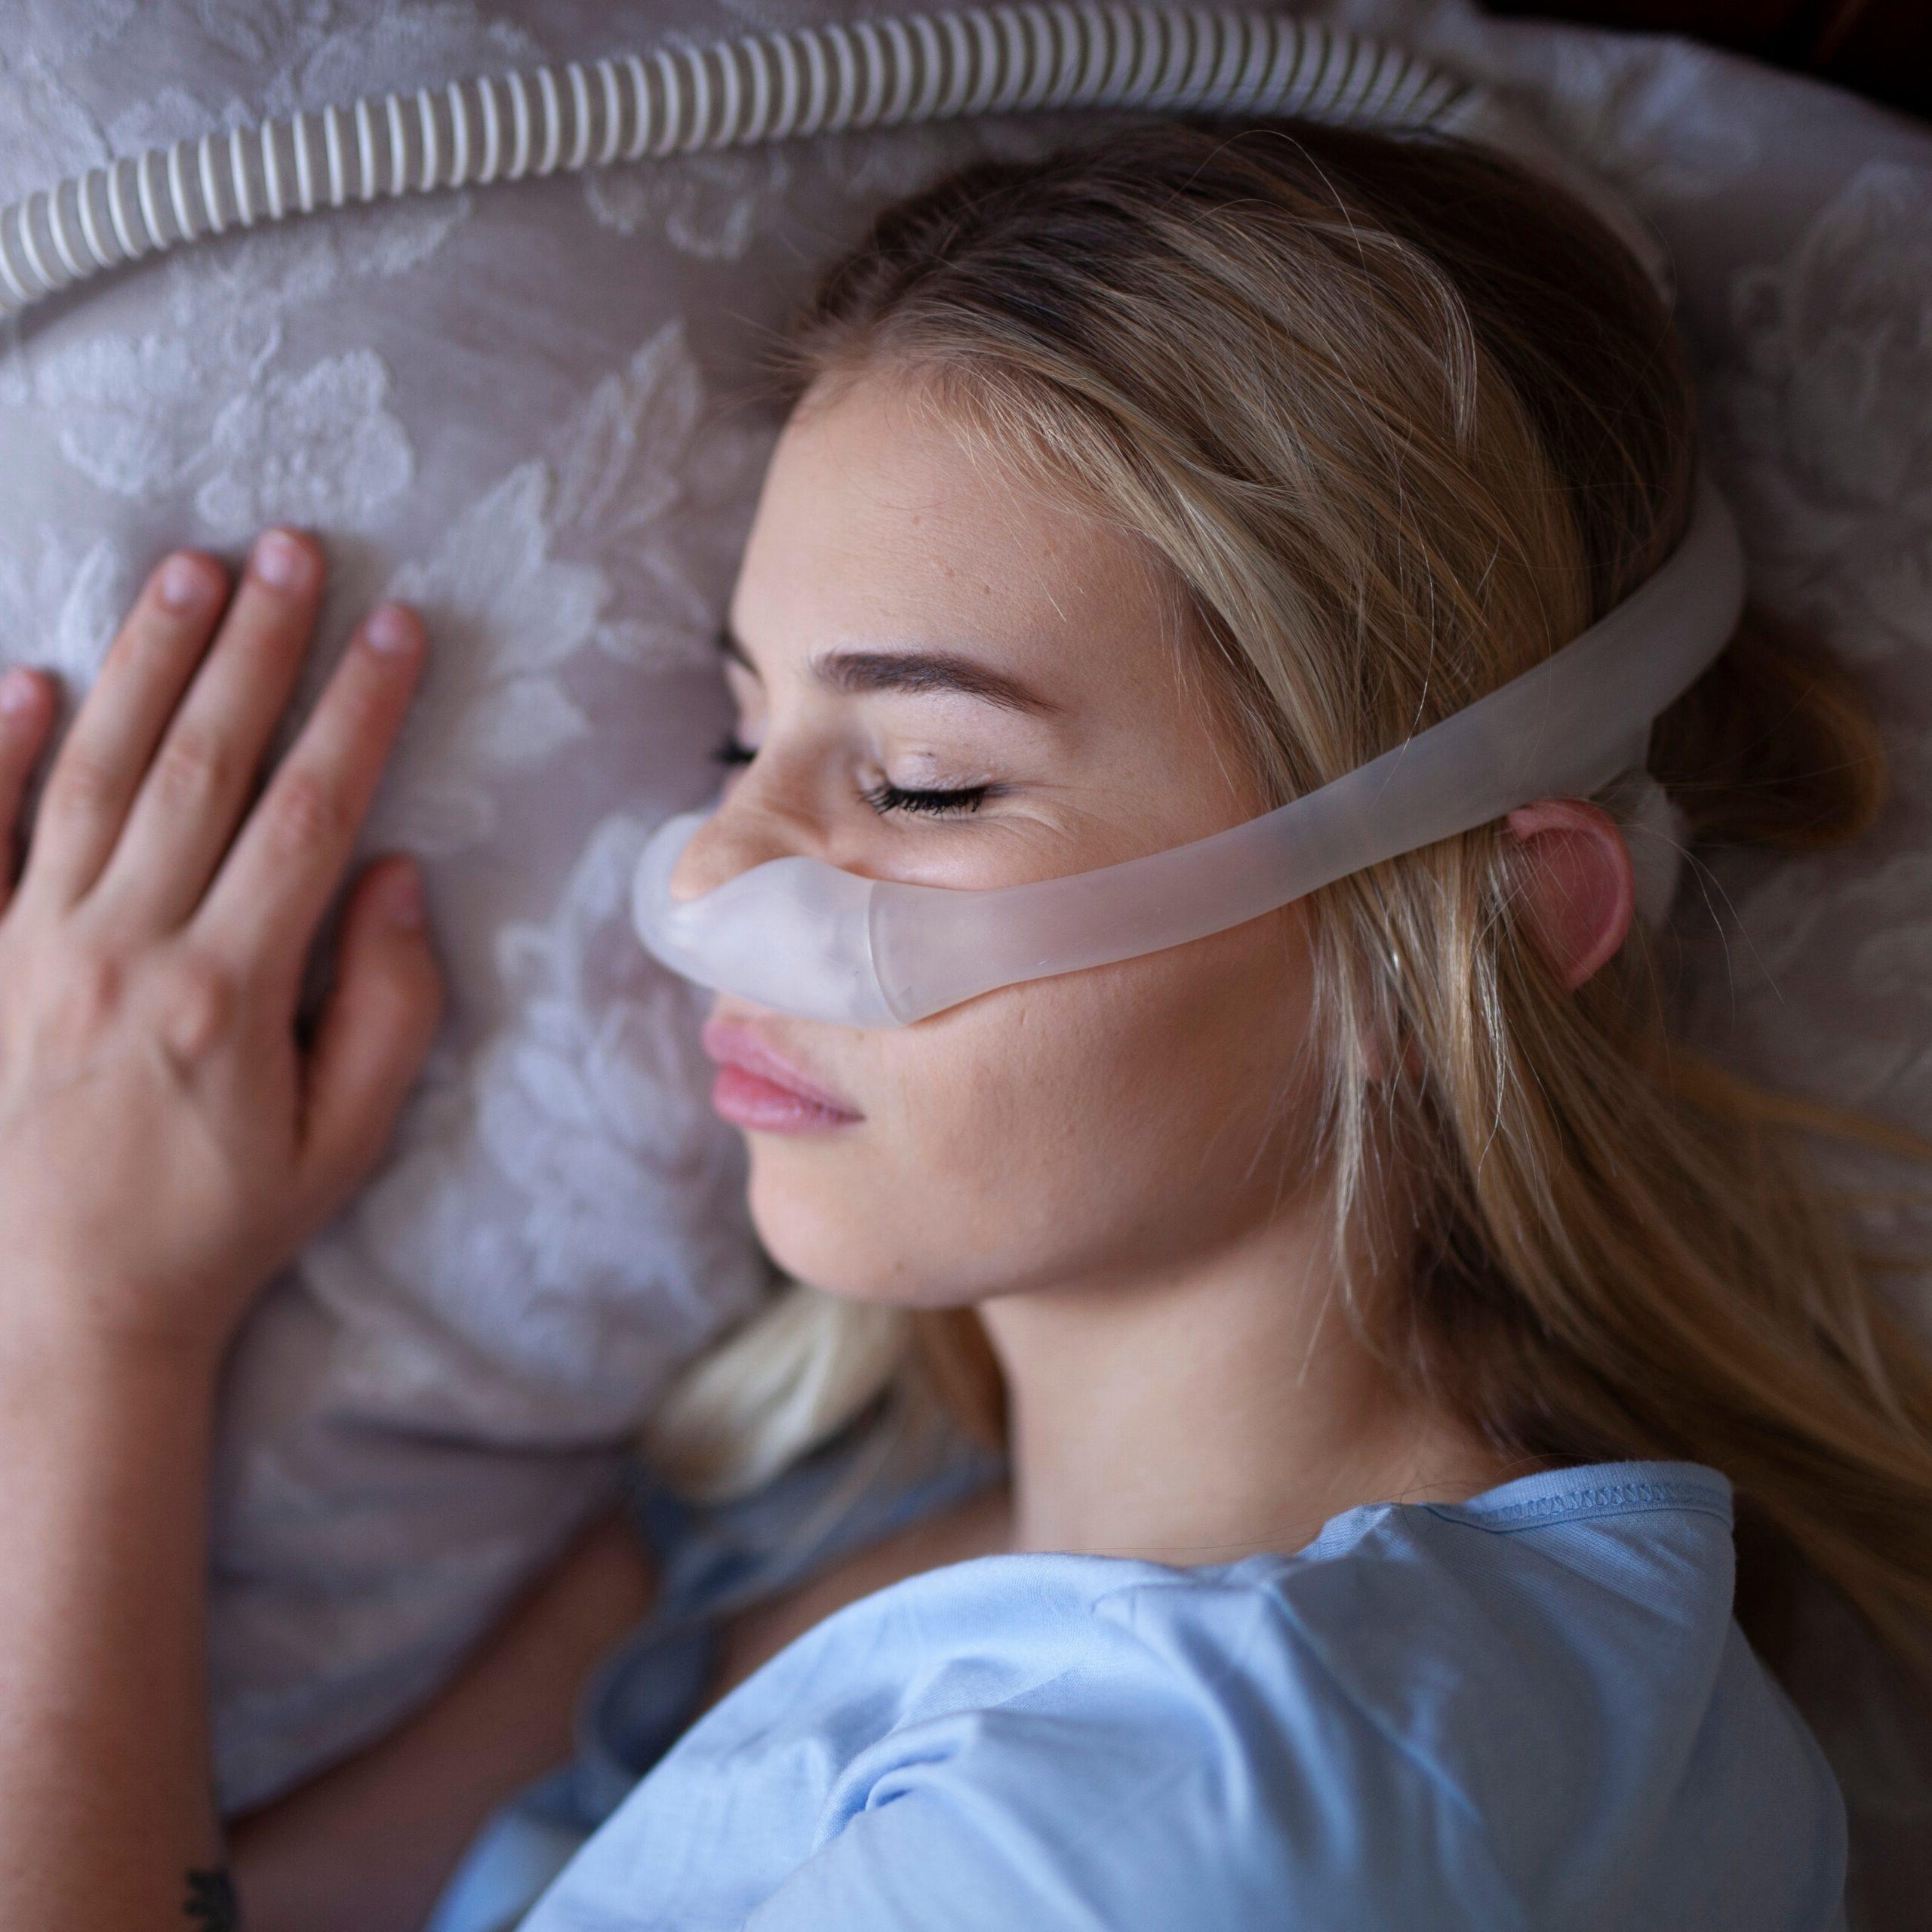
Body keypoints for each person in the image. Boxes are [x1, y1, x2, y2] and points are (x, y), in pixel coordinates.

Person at [2, 113, 1928, 1931]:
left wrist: (91, 1320)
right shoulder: (852, 1509)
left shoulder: (1232, 1805)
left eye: (922, 780)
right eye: (740, 737)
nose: (704, 887)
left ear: (1453, 938)